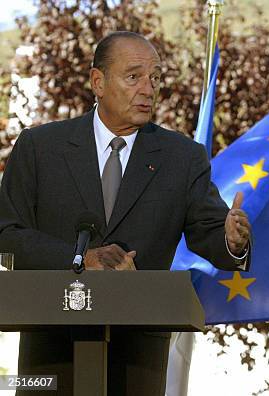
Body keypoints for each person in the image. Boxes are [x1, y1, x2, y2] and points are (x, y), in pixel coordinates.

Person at [0, 31, 252, 395]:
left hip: (137, 356)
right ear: (97, 82)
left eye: (156, 78)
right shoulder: (40, 148)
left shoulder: (183, 158)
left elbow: (209, 233)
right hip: (50, 351)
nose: (149, 89)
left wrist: (231, 240)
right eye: (134, 76)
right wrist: (80, 259)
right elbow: (7, 233)